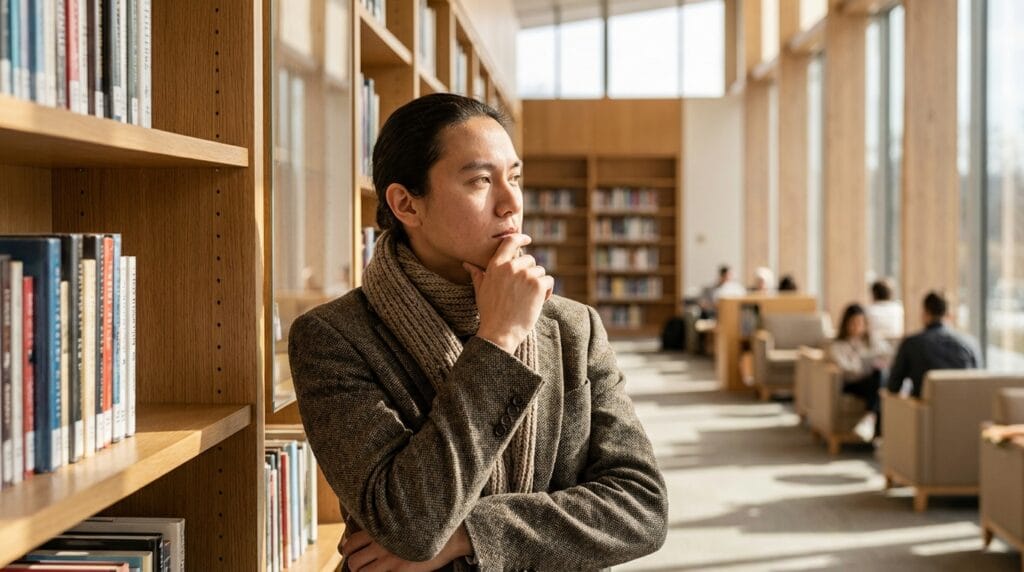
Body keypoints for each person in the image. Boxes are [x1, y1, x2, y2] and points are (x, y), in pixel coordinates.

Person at [287, 94, 667, 571]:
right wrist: (499, 340)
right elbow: (411, 525)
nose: (510, 203)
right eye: (481, 181)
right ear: (406, 204)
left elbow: (641, 509)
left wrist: (472, 533)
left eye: (514, 177)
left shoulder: (573, 327)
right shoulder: (332, 338)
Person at [886, 291, 981, 398]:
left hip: (925, 412)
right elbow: (978, 382)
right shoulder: (970, 343)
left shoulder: (911, 344)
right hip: (966, 411)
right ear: (948, 314)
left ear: (925, 313)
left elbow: (893, 387)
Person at [829, 303, 891, 436]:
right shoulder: (838, 345)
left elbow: (887, 353)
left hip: (872, 381)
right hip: (853, 383)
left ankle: (870, 419)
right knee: (880, 384)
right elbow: (844, 368)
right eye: (853, 323)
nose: (857, 326)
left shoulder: (871, 340)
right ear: (846, 324)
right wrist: (860, 366)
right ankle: (875, 427)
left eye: (860, 323)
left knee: (879, 376)